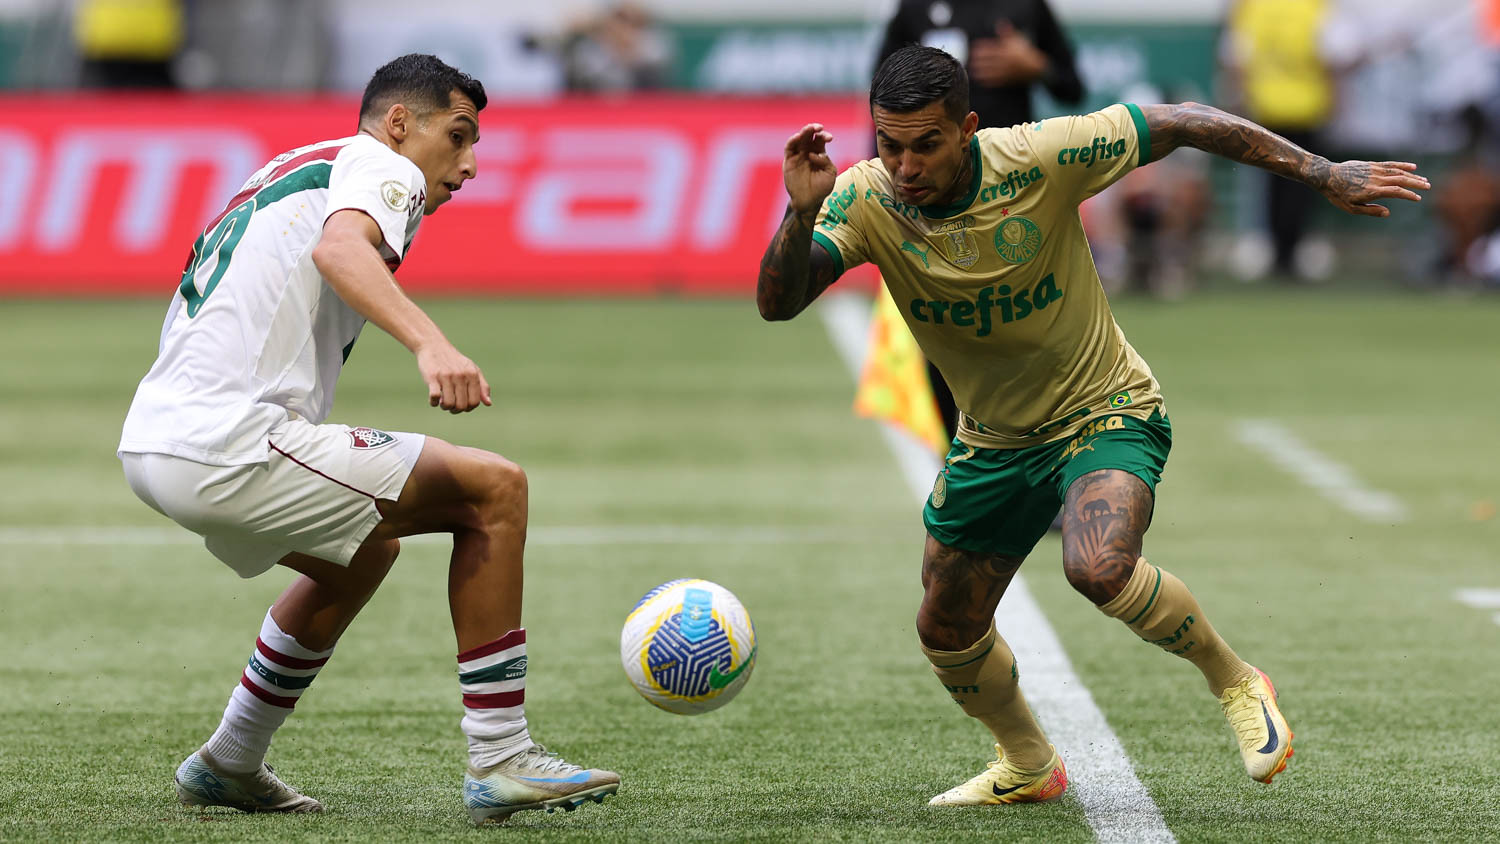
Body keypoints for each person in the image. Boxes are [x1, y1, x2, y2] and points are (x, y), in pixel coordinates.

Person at [756, 45, 1428, 805]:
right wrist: (803, 208)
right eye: (890, 144)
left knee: (1097, 565)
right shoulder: (866, 198)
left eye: (926, 144)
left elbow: (1183, 122)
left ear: (969, 128)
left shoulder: (1040, 156)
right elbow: (778, 303)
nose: (905, 165)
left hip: (1103, 408)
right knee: (945, 625)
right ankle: (1028, 764)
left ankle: (1237, 681)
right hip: (995, 438)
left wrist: (1322, 172)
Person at [116, 54, 619, 825]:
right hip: (230, 439)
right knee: (494, 490)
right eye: (458, 136)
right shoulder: (382, 168)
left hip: (157, 442)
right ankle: (501, 753)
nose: (470, 165)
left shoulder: (299, 164)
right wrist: (431, 345)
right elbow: (339, 251)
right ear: (397, 124)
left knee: (362, 551)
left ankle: (230, 760)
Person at [876, 0, 1084, 439]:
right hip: (937, 208)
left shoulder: (1026, 7)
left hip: (1013, 203)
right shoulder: (914, 10)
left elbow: (1073, 86)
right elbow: (880, 105)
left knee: (1025, 326)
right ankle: (955, 454)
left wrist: (1037, 66)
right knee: (942, 337)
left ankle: (1041, 449)